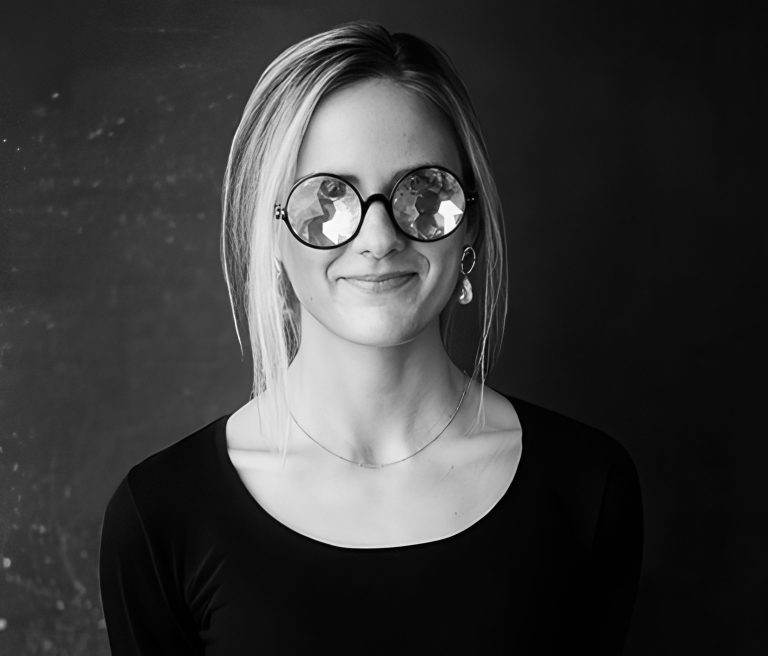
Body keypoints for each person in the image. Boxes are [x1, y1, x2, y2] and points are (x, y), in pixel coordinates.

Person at [99, 20, 643, 655]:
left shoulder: (587, 486)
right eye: (327, 197)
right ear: (271, 232)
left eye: (425, 193)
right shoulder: (160, 517)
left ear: (470, 226)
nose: (381, 238)